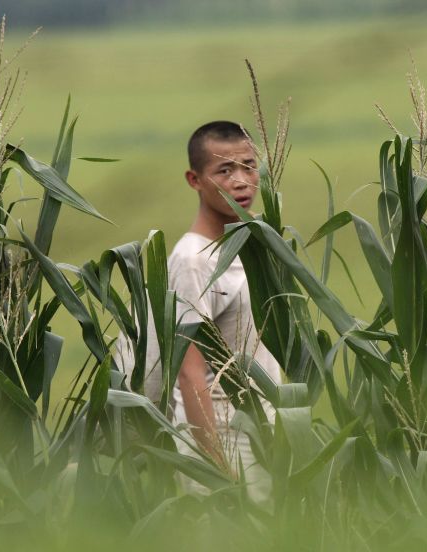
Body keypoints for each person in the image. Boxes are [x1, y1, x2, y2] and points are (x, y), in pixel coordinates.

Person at [168, 121, 282, 497]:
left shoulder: (256, 245)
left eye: (249, 166)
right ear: (194, 179)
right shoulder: (193, 259)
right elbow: (190, 376)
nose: (241, 181)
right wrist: (219, 472)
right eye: (224, 170)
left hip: (266, 434)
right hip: (228, 439)